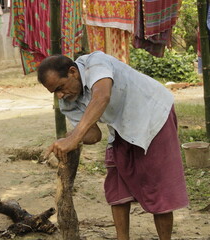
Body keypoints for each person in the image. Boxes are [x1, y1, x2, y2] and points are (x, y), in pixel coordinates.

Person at [37, 51, 189, 240]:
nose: (60, 95)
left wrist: (74, 138)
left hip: (152, 116)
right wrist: (69, 137)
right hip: (120, 126)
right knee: (117, 185)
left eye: (61, 87)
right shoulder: (67, 101)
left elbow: (102, 96)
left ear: (73, 72)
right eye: (55, 92)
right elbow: (93, 135)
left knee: (157, 187)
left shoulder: (96, 63)